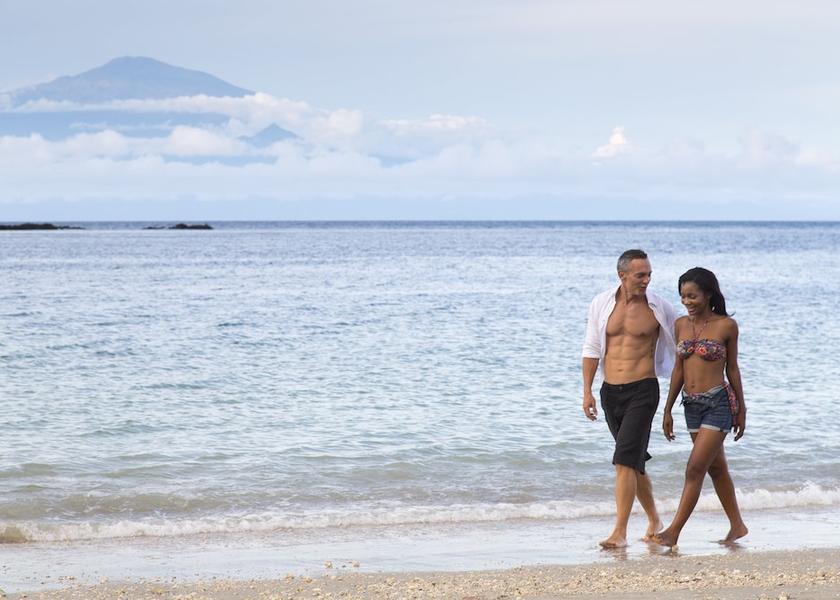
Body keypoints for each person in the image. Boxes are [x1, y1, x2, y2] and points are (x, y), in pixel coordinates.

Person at [582, 249, 677, 548]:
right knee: (634, 464)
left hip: (643, 390)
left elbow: (682, 344)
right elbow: (592, 347)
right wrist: (587, 391)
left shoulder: (659, 308)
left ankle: (619, 533)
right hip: (610, 392)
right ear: (622, 275)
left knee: (623, 460)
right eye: (640, 275)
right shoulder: (601, 303)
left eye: (649, 274)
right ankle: (655, 521)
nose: (646, 280)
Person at [653, 267, 748, 547]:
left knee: (694, 469)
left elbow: (733, 368)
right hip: (690, 406)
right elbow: (678, 371)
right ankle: (738, 526)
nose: (687, 302)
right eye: (683, 296)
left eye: (692, 296)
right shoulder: (681, 324)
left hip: (718, 403)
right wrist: (668, 409)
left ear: (707, 295)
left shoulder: (726, 326)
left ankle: (673, 533)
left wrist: (741, 409)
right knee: (716, 469)